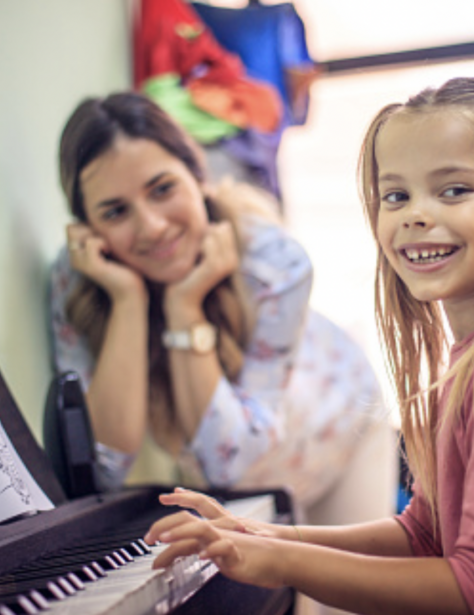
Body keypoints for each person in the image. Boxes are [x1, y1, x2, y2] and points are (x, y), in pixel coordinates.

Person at [144, 76, 474, 614]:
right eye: (396, 195)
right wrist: (264, 536)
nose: (414, 214)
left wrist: (278, 565)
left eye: (454, 190)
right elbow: (424, 535)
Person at [48, 91, 397, 528]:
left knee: (353, 594)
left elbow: (228, 459)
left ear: (199, 177)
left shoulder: (273, 262)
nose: (152, 227)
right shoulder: (78, 280)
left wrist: (184, 309)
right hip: (239, 484)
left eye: (162, 189)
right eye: (115, 211)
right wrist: (128, 301)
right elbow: (103, 467)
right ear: (88, 229)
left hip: (342, 431)